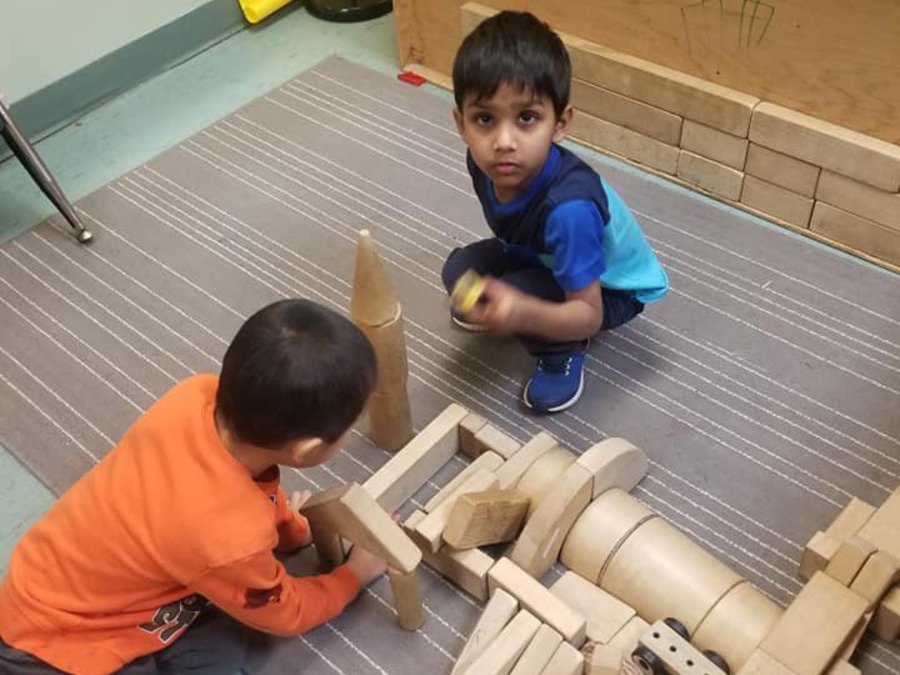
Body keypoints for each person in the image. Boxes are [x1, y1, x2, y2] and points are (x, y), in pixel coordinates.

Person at [0, 299, 387, 674]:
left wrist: (293, 530)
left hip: (61, 583)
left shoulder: (197, 393)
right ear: (308, 451)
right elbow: (288, 613)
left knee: (227, 633)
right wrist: (352, 577)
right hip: (58, 649)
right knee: (241, 632)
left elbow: (256, 491)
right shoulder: (229, 537)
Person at [443, 10, 669, 414]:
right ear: (461, 123)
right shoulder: (482, 163)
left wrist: (523, 312)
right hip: (540, 252)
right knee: (458, 271)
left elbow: (587, 313)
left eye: (527, 118)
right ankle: (510, 304)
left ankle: (561, 352)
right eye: (484, 119)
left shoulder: (570, 211)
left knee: (522, 299)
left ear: (560, 123)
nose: (503, 142)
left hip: (610, 291)